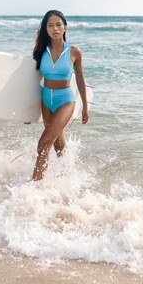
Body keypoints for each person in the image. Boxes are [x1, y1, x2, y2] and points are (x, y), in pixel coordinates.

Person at [31, 10, 89, 181]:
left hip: (65, 101)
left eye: (58, 24)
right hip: (46, 100)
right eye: (50, 25)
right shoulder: (41, 51)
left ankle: (35, 186)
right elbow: (32, 80)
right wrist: (26, 109)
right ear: (45, 29)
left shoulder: (74, 52)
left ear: (65, 28)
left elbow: (80, 80)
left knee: (43, 144)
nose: (55, 28)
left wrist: (85, 107)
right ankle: (68, 177)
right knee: (57, 144)